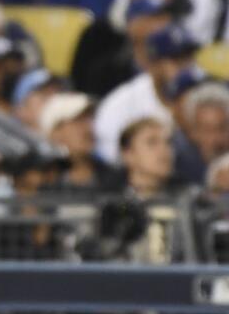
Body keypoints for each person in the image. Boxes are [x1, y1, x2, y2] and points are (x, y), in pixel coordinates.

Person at [95, 23, 196, 163]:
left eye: (189, 58)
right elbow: (109, 159)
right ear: (153, 65)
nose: (185, 67)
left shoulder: (202, 96)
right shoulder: (121, 104)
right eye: (176, 60)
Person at [40, 92, 118, 192]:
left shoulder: (115, 178)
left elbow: (123, 207)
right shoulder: (40, 180)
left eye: (89, 119)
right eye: (78, 121)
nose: (88, 128)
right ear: (55, 132)